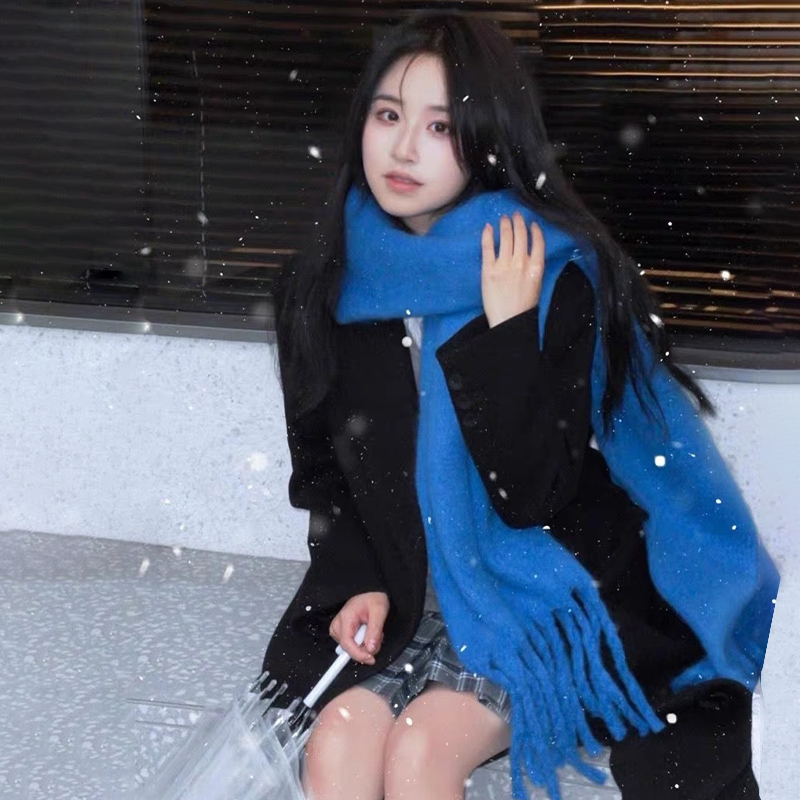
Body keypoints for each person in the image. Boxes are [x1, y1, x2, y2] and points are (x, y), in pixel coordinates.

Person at [260, 10, 778, 800]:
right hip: (404, 590)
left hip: (534, 592)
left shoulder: (543, 271)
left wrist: (505, 335)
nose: (404, 149)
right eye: (389, 115)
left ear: (487, 138)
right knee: (335, 745)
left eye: (440, 126)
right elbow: (325, 472)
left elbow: (534, 491)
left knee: (420, 751)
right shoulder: (325, 284)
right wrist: (359, 576)